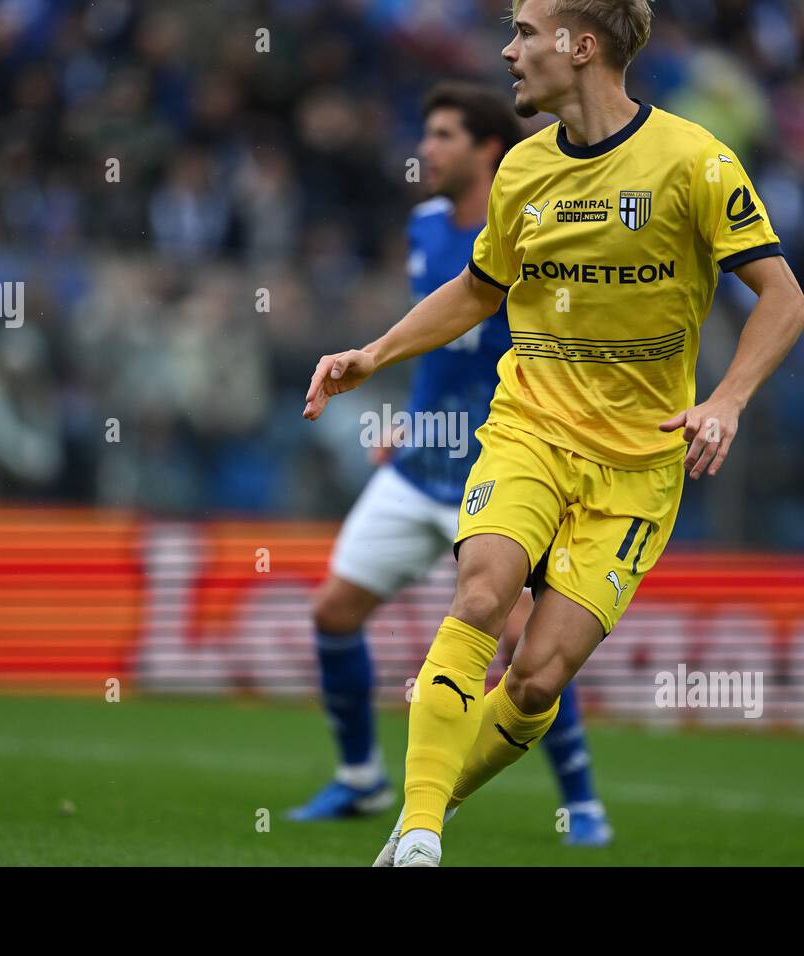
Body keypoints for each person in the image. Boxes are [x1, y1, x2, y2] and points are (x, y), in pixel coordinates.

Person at [303, 0, 804, 866]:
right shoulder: (523, 171)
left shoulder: (694, 160)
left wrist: (725, 400)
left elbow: (785, 298)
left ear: (581, 46)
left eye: (525, 32)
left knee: (537, 679)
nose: (508, 50)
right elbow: (479, 287)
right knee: (481, 594)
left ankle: (423, 808)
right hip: (529, 428)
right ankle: (422, 833)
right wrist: (373, 354)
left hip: (640, 464)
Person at [289, 83, 614, 847]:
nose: (426, 149)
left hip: (506, 463)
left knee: (527, 647)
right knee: (333, 609)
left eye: (443, 135)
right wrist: (408, 418)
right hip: (418, 463)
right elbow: (442, 338)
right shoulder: (425, 225)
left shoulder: (537, 222)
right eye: (426, 133)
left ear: (487, 150)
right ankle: (362, 778)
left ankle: (582, 801)